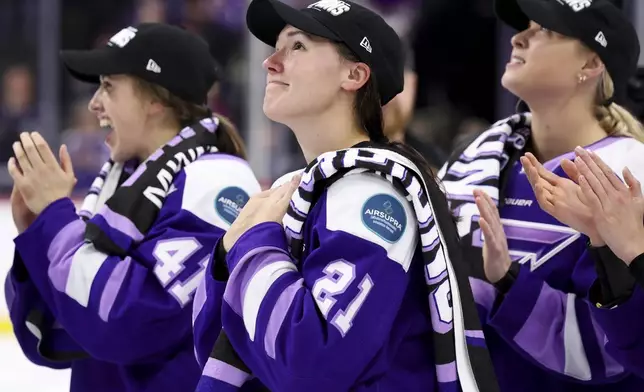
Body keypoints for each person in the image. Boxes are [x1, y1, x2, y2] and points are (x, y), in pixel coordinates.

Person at [192, 0, 499, 391]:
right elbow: (214, 346)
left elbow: (310, 364)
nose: (270, 62)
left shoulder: (373, 190)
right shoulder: (301, 185)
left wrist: (254, 246)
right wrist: (224, 256)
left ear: (354, 74)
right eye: (277, 47)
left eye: (298, 46)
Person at [4, 23, 261, 392]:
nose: (94, 103)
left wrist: (56, 222)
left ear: (157, 100)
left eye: (108, 86)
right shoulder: (129, 183)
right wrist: (37, 231)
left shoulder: (217, 183)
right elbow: (56, 334)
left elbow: (128, 324)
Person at [438, 0, 644, 390]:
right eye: (525, 28)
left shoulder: (630, 177)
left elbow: (614, 352)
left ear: (590, 65)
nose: (518, 38)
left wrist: (508, 285)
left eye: (545, 31)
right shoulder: (473, 159)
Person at [522, 145, 644, 378]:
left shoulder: (632, 157)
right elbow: (634, 349)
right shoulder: (481, 155)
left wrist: (635, 251)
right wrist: (605, 242)